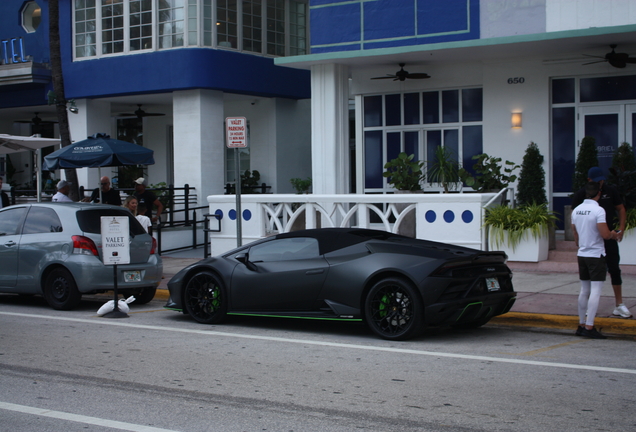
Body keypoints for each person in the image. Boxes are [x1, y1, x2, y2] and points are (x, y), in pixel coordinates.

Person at [571, 167, 631, 318]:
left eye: (602, 180)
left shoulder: (610, 191)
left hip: (607, 239)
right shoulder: (581, 195)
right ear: (589, 181)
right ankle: (589, 308)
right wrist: (577, 238)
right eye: (598, 181)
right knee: (591, 276)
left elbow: (621, 209)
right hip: (592, 241)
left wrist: (621, 229)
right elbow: (574, 218)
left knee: (614, 269)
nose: (601, 183)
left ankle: (619, 304)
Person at [571, 181, 619, 339]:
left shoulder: (576, 210)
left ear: (585, 193)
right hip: (596, 254)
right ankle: (590, 327)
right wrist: (614, 234)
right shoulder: (598, 210)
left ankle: (581, 324)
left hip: (582, 253)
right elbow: (605, 235)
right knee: (596, 291)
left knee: (584, 290)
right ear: (598, 194)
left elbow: (575, 235)